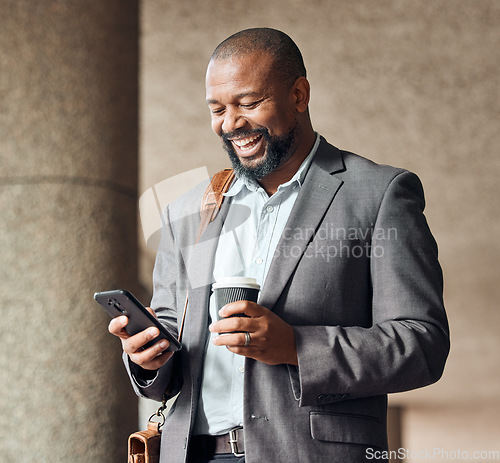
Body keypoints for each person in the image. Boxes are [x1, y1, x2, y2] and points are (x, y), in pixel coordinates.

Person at [109, 28, 450, 463]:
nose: (230, 123)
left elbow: (422, 343)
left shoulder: (380, 194)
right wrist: (147, 359)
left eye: (249, 104)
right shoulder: (188, 211)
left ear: (299, 94)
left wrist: (295, 347)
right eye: (217, 109)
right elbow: (174, 346)